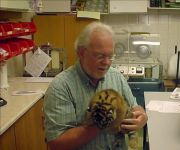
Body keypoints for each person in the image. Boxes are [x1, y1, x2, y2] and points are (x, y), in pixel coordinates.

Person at [44, 22, 148, 150]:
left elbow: (135, 107)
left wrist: (141, 117)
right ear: (81, 53)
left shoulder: (116, 76)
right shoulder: (61, 87)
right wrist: (101, 124)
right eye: (100, 56)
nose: (106, 63)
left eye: (110, 56)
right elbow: (56, 142)